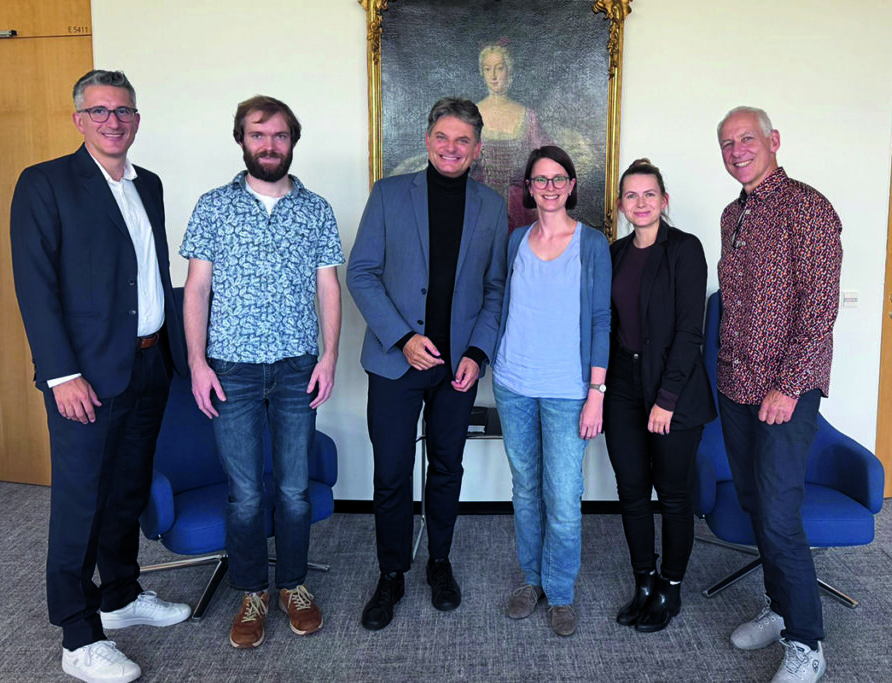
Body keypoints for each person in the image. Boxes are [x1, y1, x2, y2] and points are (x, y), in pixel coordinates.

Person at [10, 69, 190, 683]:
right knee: (81, 502)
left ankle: (120, 596)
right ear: (79, 119)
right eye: (100, 111)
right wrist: (61, 374)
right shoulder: (45, 183)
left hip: (149, 362)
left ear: (136, 119)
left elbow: (147, 273)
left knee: (127, 491)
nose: (113, 121)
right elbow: (35, 287)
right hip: (85, 374)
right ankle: (79, 635)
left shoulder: (150, 184)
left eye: (124, 111)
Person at [181, 95, 343, 649]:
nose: (269, 145)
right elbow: (197, 289)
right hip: (232, 369)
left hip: (298, 366)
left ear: (292, 142)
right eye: (258, 134)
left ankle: (293, 585)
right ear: (241, 140)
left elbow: (328, 287)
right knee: (246, 494)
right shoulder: (213, 207)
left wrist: (329, 357)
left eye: (279, 135)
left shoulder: (316, 209)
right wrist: (197, 363)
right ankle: (251, 592)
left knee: (295, 491)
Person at [347, 97, 508, 631]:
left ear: (477, 149)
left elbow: (495, 288)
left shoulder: (491, 207)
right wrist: (402, 339)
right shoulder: (388, 195)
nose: (451, 148)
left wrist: (477, 353)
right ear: (427, 140)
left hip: (457, 368)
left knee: (446, 468)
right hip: (396, 363)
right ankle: (391, 572)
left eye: (463, 140)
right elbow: (362, 273)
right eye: (443, 137)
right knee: (392, 474)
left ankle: (440, 562)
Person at [715, 106, 842, 683]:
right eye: (727, 143)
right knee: (753, 502)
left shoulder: (807, 207)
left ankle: (807, 642)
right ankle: (780, 606)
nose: (737, 150)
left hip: (783, 391)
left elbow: (819, 308)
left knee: (779, 512)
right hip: (736, 385)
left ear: (773, 141)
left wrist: (788, 386)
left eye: (747, 138)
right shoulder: (731, 214)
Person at [494, 145, 610, 637]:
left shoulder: (593, 243)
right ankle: (532, 580)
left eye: (558, 178)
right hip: (513, 383)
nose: (549, 187)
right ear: (529, 187)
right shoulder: (516, 240)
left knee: (563, 497)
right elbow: (502, 301)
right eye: (540, 179)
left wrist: (596, 391)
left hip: (568, 389)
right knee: (525, 489)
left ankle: (560, 592)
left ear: (571, 185)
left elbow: (602, 319)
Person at [603, 159, 716, 633]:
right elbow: (606, 324)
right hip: (623, 386)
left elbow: (691, 331)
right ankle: (644, 582)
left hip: (675, 388)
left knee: (671, 494)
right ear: (621, 205)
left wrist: (666, 399)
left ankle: (670, 587)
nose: (641, 203)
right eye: (631, 195)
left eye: (650, 194)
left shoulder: (685, 249)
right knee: (631, 490)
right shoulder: (614, 253)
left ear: (664, 200)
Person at [471, 41, 551, 231]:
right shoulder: (471, 114)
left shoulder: (527, 116)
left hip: (519, 210)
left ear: (509, 70)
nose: (493, 75)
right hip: (478, 207)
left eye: (499, 68)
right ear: (482, 73)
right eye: (488, 69)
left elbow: (547, 161)